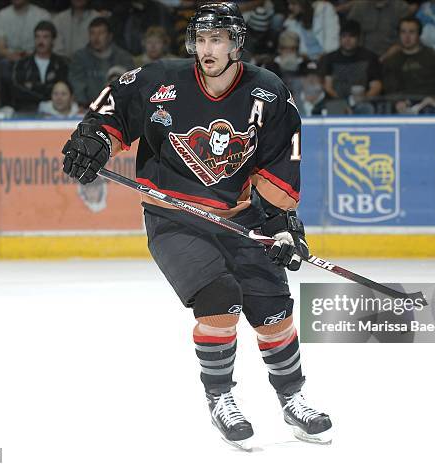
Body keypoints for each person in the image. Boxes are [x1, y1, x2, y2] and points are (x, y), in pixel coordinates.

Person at [61, 1, 332, 450]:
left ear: (236, 44)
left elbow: (279, 162)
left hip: (243, 218)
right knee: (219, 300)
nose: (208, 48)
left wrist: (284, 225)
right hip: (175, 219)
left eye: (218, 39)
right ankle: (221, 398)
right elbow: (110, 112)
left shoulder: (268, 93)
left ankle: (293, 397)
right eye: (202, 39)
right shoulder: (159, 80)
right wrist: (92, 139)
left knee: (274, 312)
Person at [383, 16, 435, 113]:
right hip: (403, 108)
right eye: (403, 32)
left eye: (412, 32)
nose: (407, 37)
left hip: (432, 106)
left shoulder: (434, 57)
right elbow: (390, 89)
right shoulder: (392, 61)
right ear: (399, 34)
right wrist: (398, 102)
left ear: (419, 34)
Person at [69, 17, 134, 107]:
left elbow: (130, 87)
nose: (96, 37)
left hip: (118, 109)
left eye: (101, 33)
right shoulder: (79, 58)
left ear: (110, 36)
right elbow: (78, 87)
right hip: (87, 109)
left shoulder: (123, 58)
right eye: (92, 33)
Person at [320, 20, 382, 113]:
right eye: (344, 36)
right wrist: (344, 103)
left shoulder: (370, 57)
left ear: (359, 39)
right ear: (339, 38)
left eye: (352, 36)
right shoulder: (330, 59)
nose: (347, 40)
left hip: (363, 102)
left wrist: (363, 99)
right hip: (336, 102)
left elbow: (376, 86)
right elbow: (328, 87)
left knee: (368, 109)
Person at [12, 21, 70, 112]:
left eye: (45, 37)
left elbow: (65, 89)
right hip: (28, 110)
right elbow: (18, 92)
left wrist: (33, 86)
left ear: (53, 40)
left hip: (57, 111)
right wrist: (48, 91)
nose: (40, 41)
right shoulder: (22, 64)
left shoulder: (62, 63)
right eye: (37, 37)